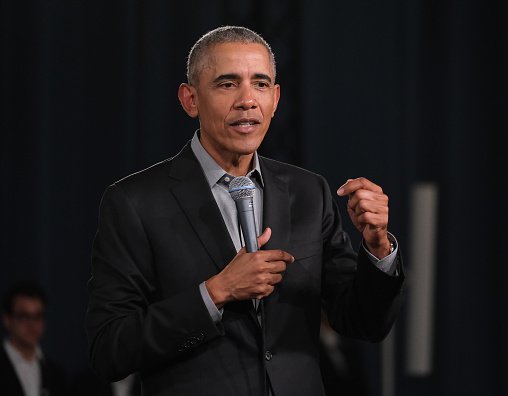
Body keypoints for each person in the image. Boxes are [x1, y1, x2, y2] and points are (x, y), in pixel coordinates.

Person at [86, 26, 405, 396]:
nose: (247, 100)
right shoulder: (135, 202)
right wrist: (216, 292)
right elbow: (109, 349)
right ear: (190, 100)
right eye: (227, 84)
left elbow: (363, 322)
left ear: (276, 98)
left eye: (261, 84)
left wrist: (378, 247)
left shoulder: (307, 192)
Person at [1, 281, 67, 396]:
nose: (32, 325)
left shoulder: (55, 374)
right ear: (8, 320)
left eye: (38, 316)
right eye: (24, 316)